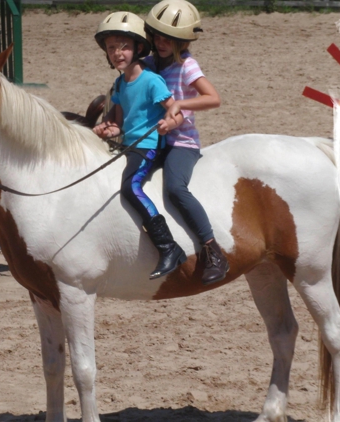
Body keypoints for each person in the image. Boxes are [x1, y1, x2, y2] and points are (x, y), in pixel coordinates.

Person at [93, 12, 187, 280]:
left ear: (138, 48)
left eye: (123, 46)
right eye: (111, 48)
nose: (117, 53)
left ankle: (168, 247)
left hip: (147, 146)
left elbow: (176, 113)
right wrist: (107, 128)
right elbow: (118, 124)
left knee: (130, 186)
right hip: (129, 145)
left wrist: (169, 123)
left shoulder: (151, 80)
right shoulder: (120, 83)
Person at [144, 0, 229, 285]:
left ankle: (212, 249)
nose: (162, 41)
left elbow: (213, 98)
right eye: (157, 35)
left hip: (181, 143)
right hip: (153, 140)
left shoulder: (187, 65)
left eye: (170, 38)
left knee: (175, 189)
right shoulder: (149, 64)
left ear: (182, 41)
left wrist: (180, 102)